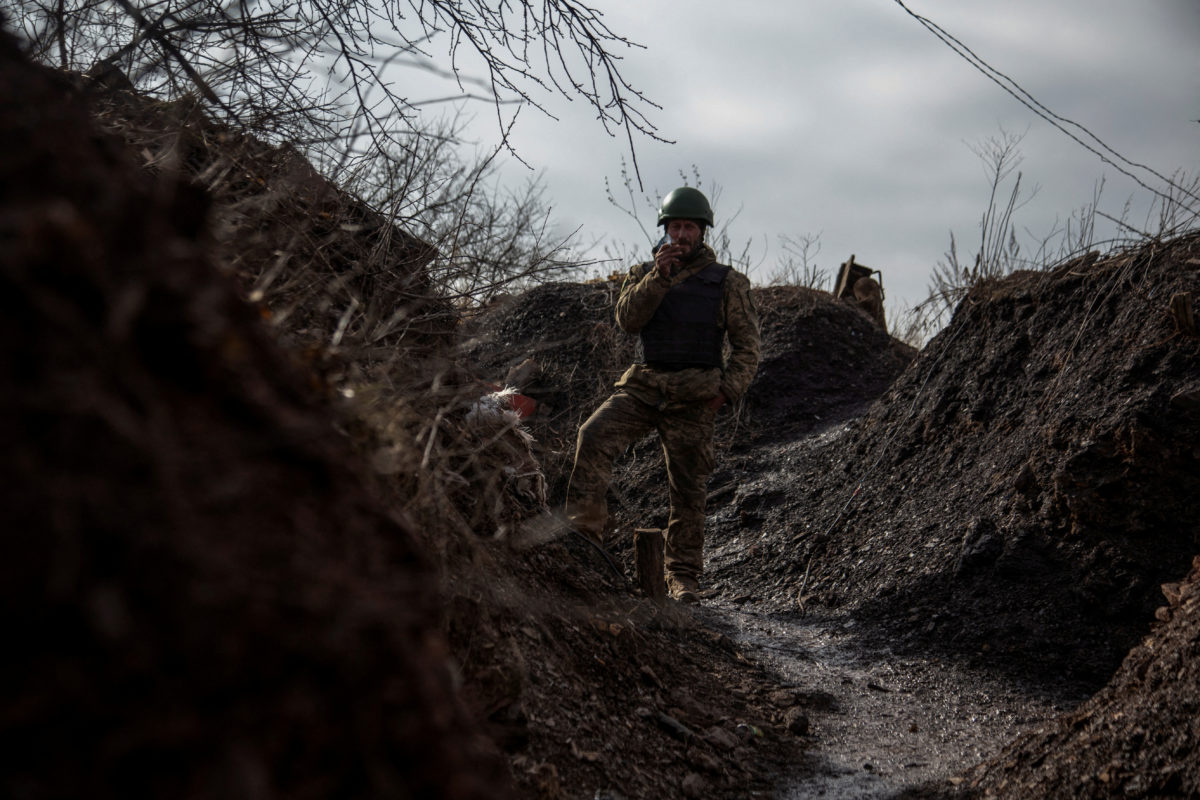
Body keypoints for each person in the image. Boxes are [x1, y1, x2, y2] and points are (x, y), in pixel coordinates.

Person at [564, 186, 760, 604]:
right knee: (592, 435)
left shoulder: (727, 282)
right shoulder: (644, 274)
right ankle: (585, 545)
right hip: (644, 387)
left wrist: (726, 390)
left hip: (694, 396)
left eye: (690, 227)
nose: (682, 235)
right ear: (665, 230)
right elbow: (628, 321)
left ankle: (682, 576)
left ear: (702, 231)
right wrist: (658, 278)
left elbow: (748, 347)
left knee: (688, 488)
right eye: (675, 227)